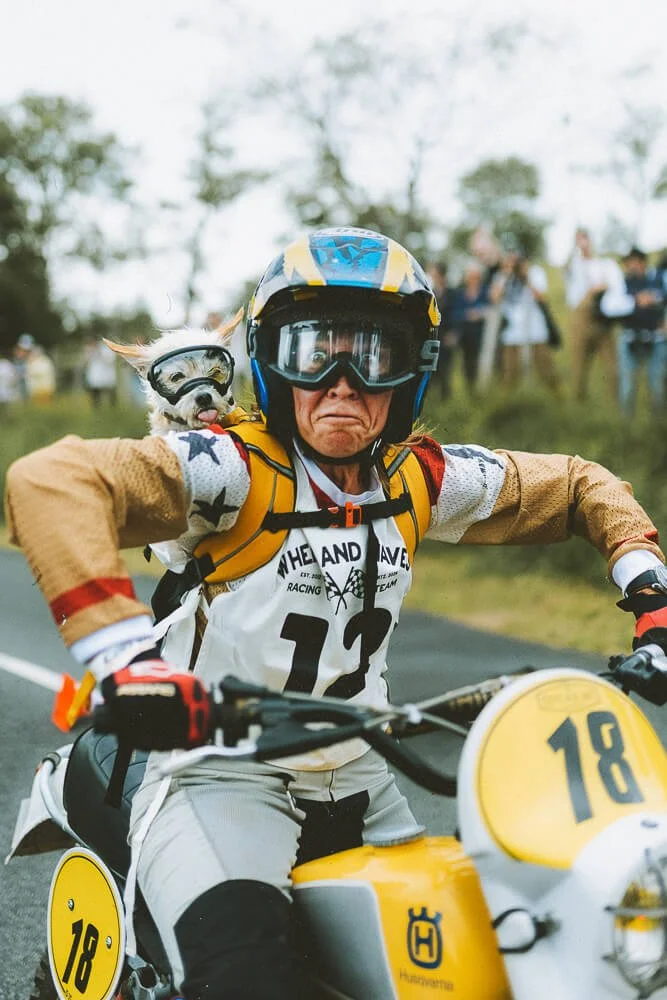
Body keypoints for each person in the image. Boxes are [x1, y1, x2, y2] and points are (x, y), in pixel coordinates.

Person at [5, 226, 667, 1000]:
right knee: (246, 980)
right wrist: (127, 663)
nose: (343, 382)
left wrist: (651, 597)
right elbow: (50, 482)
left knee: (471, 967)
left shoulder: (423, 477)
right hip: (218, 768)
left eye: (374, 354)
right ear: (269, 359)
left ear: (409, 374)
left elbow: (583, 485)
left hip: (359, 767)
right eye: (313, 351)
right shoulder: (230, 468)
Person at [599, 246, 666, 416]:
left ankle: (657, 423)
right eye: (629, 263)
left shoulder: (659, 278)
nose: (632, 267)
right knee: (627, 385)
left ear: (643, 263)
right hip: (630, 339)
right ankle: (626, 423)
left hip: (656, 339)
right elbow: (608, 307)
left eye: (635, 263)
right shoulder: (622, 283)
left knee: (656, 383)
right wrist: (634, 301)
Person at [564, 227, 625, 402]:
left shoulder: (603, 264)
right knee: (579, 366)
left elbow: (612, 285)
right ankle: (578, 401)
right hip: (580, 317)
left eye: (585, 238)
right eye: (579, 239)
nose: (583, 242)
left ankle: (616, 401)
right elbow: (567, 267)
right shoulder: (574, 264)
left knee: (612, 366)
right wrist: (576, 248)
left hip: (601, 316)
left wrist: (596, 289)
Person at [489, 250, 561, 394]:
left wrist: (525, 277)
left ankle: (558, 400)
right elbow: (494, 298)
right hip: (511, 334)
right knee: (510, 374)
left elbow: (541, 297)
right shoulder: (502, 276)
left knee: (546, 371)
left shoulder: (535, 273)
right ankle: (511, 405)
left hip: (536, 332)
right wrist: (506, 275)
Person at [450, 259, 490, 393]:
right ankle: (471, 390)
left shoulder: (485, 292)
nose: (473, 279)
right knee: (468, 364)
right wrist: (468, 315)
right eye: (470, 276)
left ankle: (484, 388)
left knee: (483, 362)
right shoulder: (460, 294)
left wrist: (480, 313)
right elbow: (455, 314)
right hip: (466, 336)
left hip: (482, 335)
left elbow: (491, 309)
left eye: (475, 276)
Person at [425, 260, 455, 399]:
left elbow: (455, 314)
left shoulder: (452, 293)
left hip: (446, 337)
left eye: (434, 273)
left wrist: (453, 333)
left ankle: (445, 399)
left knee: (445, 369)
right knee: (431, 369)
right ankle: (431, 398)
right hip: (433, 336)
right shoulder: (430, 293)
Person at [83, 336, 118, 407]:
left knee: (110, 394)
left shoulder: (107, 349)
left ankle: (113, 409)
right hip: (95, 377)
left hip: (107, 377)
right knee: (95, 396)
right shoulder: (89, 350)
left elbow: (110, 360)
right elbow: (86, 362)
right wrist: (89, 352)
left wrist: (99, 352)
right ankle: (97, 410)